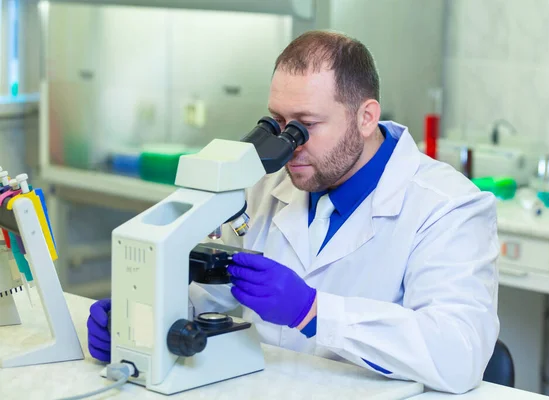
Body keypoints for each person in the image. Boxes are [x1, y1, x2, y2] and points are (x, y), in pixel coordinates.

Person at [87, 30, 499, 394]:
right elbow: (208, 296)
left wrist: (315, 311)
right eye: (279, 122)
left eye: (306, 125)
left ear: (366, 117)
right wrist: (139, 320)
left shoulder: (448, 206)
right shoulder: (267, 186)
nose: (289, 143)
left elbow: (459, 354)